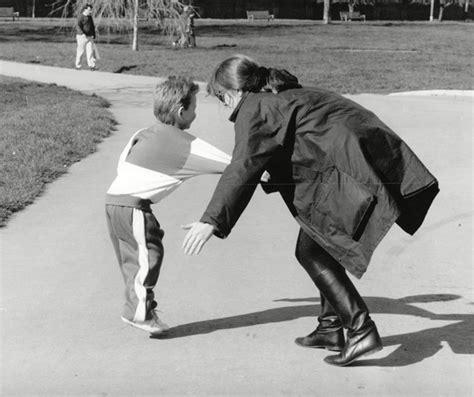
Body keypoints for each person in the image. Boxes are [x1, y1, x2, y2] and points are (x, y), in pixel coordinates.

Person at [182, 55, 439, 366]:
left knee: (311, 253)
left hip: (346, 175)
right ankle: (331, 328)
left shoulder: (255, 107)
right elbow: (300, 141)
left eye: (221, 99)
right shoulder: (286, 94)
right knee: (320, 246)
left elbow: (242, 166)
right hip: (361, 167)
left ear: (229, 93)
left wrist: (211, 221)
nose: (225, 106)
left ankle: (361, 330)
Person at [106, 76, 231, 335]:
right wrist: (264, 173)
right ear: (181, 111)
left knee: (136, 259)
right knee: (149, 256)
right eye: (194, 108)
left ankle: (144, 309)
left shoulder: (142, 133)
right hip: (134, 207)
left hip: (114, 201)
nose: (195, 113)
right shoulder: (185, 143)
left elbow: (123, 165)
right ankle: (138, 313)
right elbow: (231, 165)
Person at [75, 4, 97, 71]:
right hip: (81, 37)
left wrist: (93, 34)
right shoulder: (81, 16)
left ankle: (92, 66)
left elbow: (92, 26)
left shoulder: (90, 17)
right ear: (85, 9)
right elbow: (78, 26)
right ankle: (78, 65)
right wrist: (82, 33)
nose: (90, 11)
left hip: (89, 37)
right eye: (89, 10)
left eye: (91, 10)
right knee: (80, 51)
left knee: (90, 51)